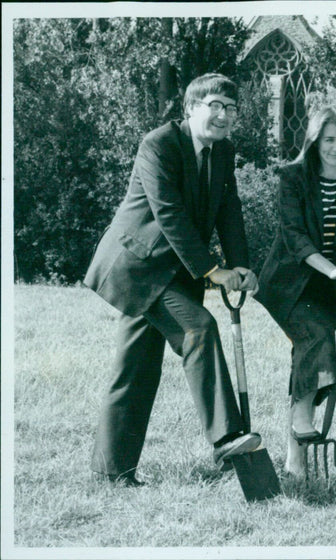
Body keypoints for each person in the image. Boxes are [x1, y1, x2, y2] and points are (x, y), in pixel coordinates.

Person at [84, 73, 261, 486]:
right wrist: (213, 270)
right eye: (214, 105)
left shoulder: (223, 152)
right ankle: (227, 437)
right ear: (190, 108)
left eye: (231, 109)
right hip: (139, 268)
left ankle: (110, 475)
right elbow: (169, 215)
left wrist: (242, 264)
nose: (223, 115)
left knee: (135, 367)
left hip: (175, 271)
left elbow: (227, 210)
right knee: (199, 328)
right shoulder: (158, 144)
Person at [254, 107, 336, 474]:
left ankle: (295, 456)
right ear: (314, 141)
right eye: (329, 139)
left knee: (310, 350)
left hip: (328, 289)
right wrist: (332, 269)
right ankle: (303, 417)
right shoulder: (292, 177)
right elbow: (294, 236)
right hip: (288, 284)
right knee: (316, 336)